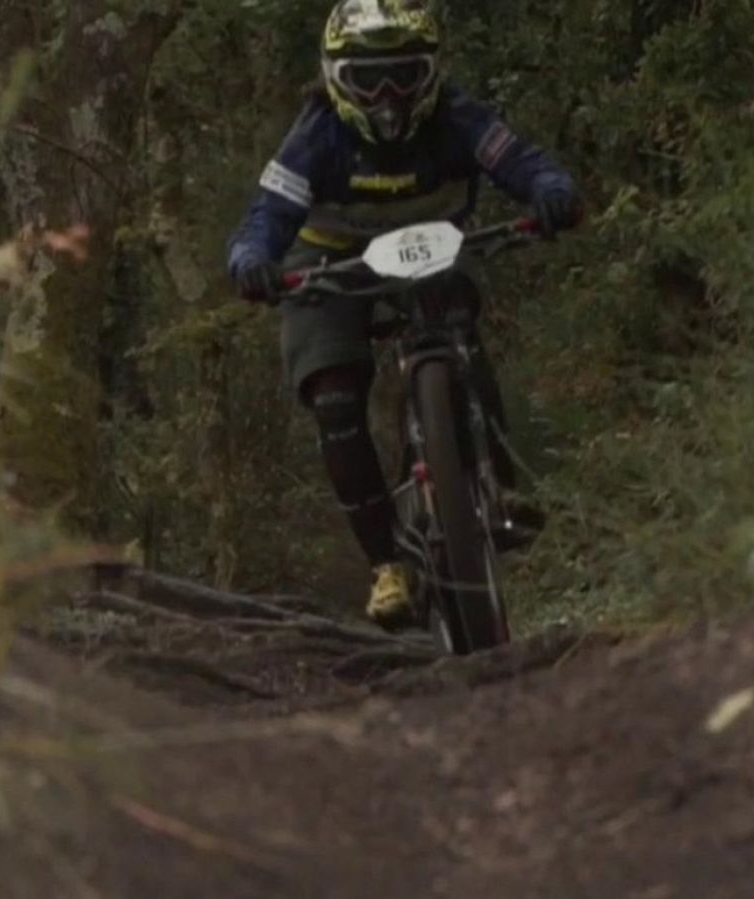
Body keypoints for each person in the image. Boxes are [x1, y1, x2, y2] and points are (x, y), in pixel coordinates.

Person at [225, 0, 583, 630]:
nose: (388, 95)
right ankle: (387, 563)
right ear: (336, 80)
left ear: (433, 73)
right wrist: (252, 258)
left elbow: (519, 161)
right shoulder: (315, 136)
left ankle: (499, 489)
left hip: (433, 248)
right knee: (332, 392)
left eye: (405, 75)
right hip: (332, 261)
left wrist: (551, 191)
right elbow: (267, 213)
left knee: (458, 326)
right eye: (368, 80)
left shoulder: (458, 116)